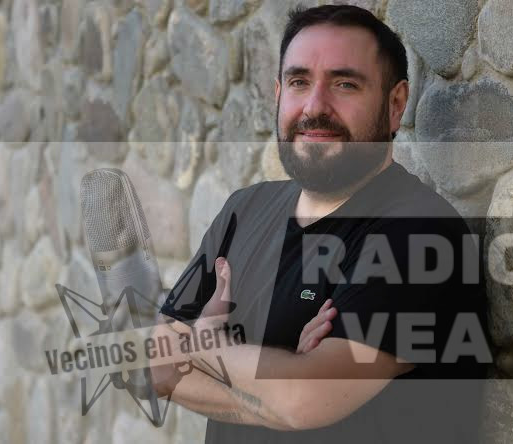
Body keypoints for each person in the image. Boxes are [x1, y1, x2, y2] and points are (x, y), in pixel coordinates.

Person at [152, 4, 492, 443]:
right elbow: (161, 368)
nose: (315, 106)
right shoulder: (244, 210)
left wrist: (208, 346)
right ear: (278, 94)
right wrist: (277, 383)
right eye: (299, 82)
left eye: (345, 84)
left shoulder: (418, 233)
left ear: (395, 104)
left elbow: (302, 399)